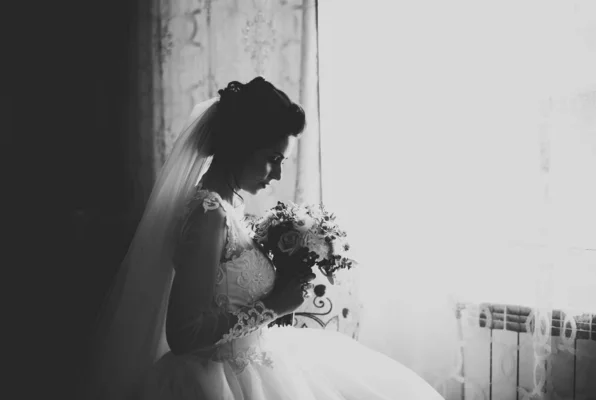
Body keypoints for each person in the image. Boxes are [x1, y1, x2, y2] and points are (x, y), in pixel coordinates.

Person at [85, 77, 444, 400]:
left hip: (256, 359)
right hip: (215, 381)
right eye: (273, 158)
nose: (277, 174)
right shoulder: (208, 214)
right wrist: (275, 305)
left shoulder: (227, 209)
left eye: (283, 160)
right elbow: (183, 334)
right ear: (240, 146)